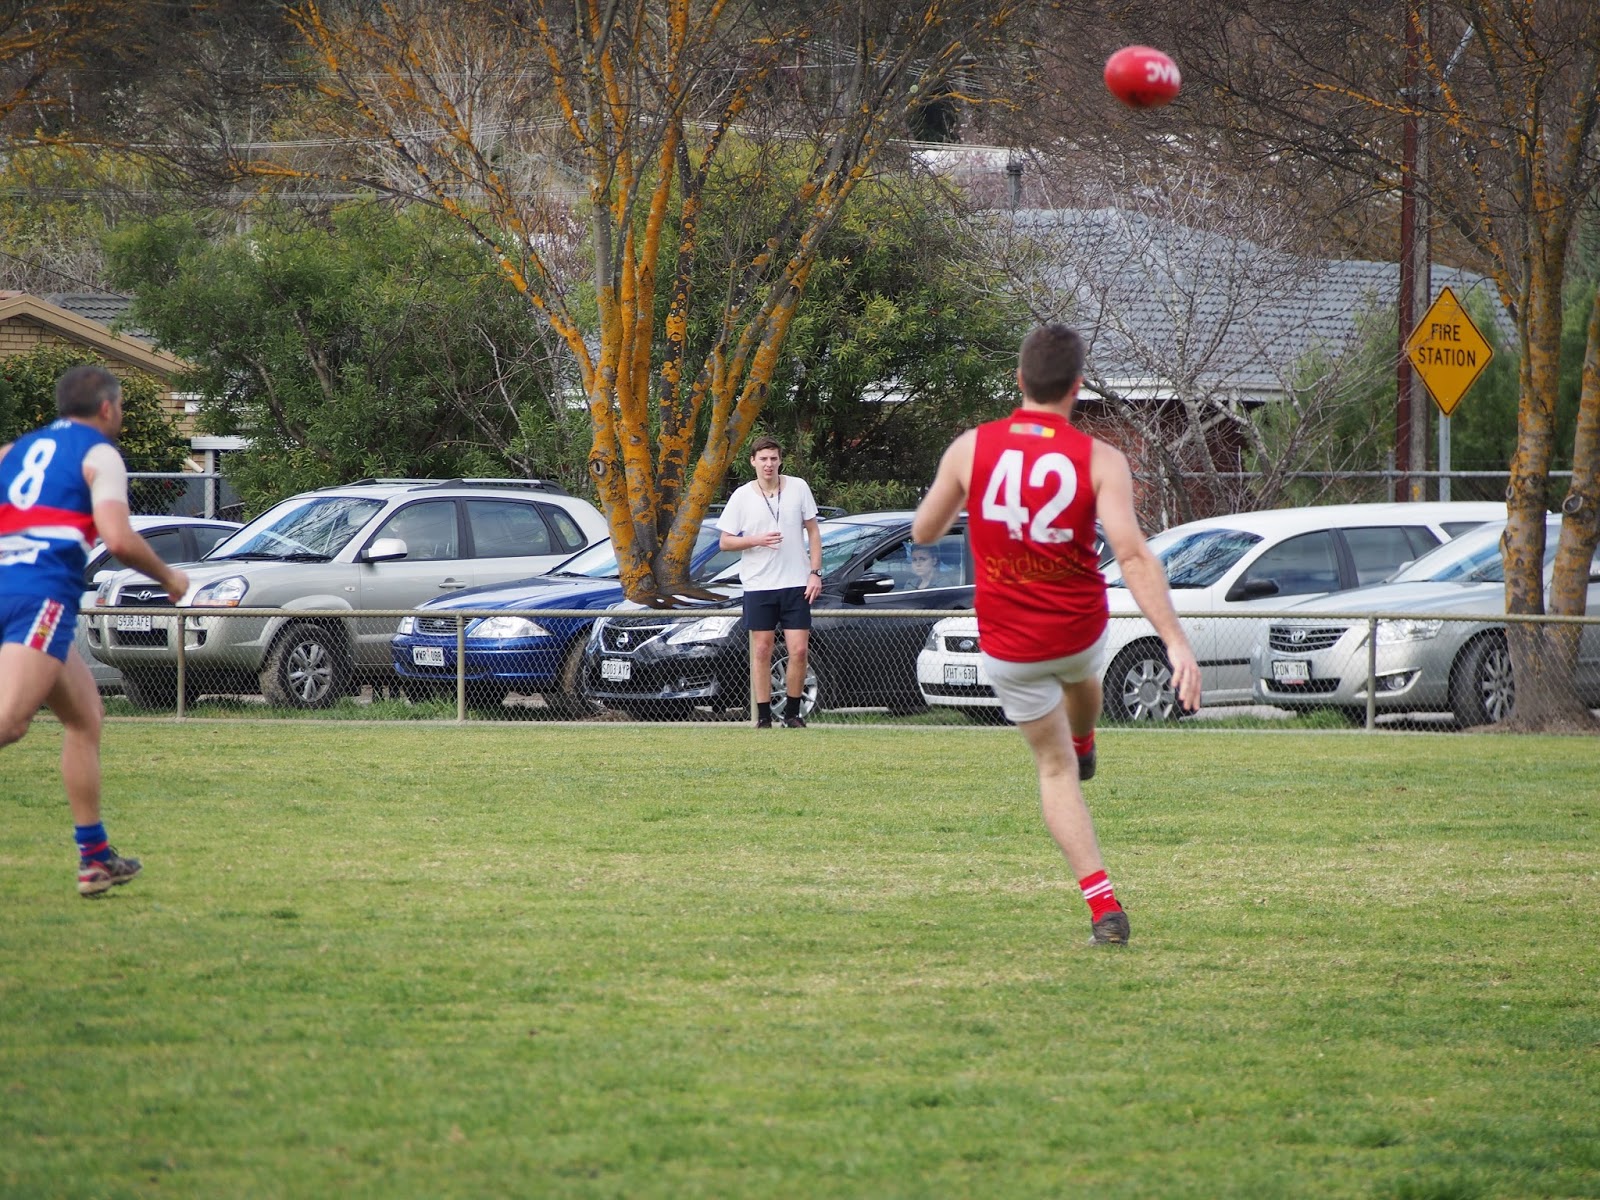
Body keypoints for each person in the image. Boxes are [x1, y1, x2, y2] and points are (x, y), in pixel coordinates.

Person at [912, 324, 1200, 945]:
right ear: (1077, 387)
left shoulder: (971, 448)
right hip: (1077, 629)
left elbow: (925, 531)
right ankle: (1086, 736)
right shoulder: (1102, 459)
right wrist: (1175, 641)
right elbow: (1133, 555)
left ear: (1019, 380)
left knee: (1054, 770)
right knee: (1080, 672)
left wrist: (963, 496)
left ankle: (1104, 907)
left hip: (1008, 643)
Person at [1, 364, 189, 896]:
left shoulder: (15, 451)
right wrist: (169, 577)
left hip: (11, 587)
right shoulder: (99, 454)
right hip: (39, 596)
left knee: (85, 718)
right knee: (9, 722)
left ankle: (95, 858)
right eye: (121, 406)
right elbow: (119, 539)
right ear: (107, 408)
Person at [717, 436, 822, 728]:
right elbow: (725, 542)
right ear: (753, 461)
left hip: (796, 582)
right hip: (759, 585)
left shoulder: (798, 487)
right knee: (762, 650)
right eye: (763, 459)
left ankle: (792, 714)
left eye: (773, 458)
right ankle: (763, 716)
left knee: (799, 650)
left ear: (780, 460)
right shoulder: (742, 496)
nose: (768, 464)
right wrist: (756, 540)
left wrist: (815, 573)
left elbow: (813, 531)